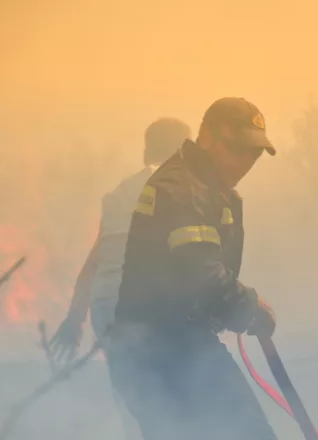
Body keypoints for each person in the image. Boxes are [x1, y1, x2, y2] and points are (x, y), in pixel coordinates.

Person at [105, 97, 279, 440]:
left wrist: (236, 308)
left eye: (255, 154)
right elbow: (198, 273)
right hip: (157, 354)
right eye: (238, 149)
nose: (245, 162)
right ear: (209, 138)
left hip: (184, 344)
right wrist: (248, 306)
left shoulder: (208, 187)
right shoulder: (183, 190)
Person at [49, 117, 191, 438]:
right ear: (185, 152)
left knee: (132, 400)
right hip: (144, 305)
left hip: (105, 306)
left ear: (145, 152)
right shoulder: (178, 188)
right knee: (170, 396)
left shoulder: (119, 194)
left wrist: (74, 320)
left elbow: (95, 262)